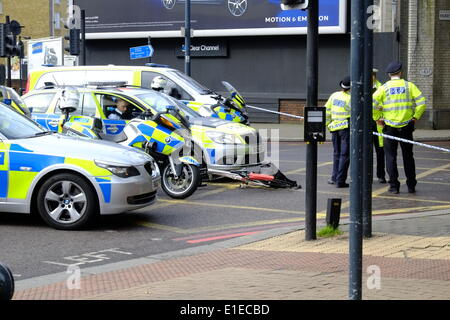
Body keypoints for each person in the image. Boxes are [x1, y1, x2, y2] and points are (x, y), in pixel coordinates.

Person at [373, 61, 426, 194]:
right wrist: (415, 117)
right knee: (408, 156)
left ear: (389, 75)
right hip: (407, 126)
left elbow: (371, 103)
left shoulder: (383, 88)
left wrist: (378, 118)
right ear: (400, 72)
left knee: (390, 157)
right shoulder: (409, 86)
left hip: (389, 127)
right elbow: (422, 103)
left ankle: (394, 186)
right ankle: (411, 185)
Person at [325, 76, 351, 188]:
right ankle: (340, 181)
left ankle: (334, 177)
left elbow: (326, 112)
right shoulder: (351, 99)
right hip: (345, 129)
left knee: (336, 154)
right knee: (344, 155)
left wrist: (328, 125)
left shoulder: (334, 95)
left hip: (334, 128)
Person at [372, 68, 386, 183]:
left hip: (378, 122)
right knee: (365, 152)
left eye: (372, 75)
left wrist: (382, 107)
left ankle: (381, 175)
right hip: (366, 123)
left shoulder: (382, 88)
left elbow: (386, 103)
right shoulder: (360, 87)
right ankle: (366, 175)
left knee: (380, 150)